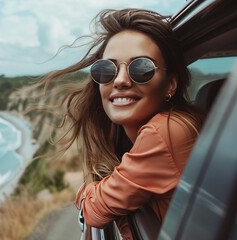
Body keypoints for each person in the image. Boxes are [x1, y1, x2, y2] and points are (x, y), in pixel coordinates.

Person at [42, 8, 204, 239]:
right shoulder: (179, 124)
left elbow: (93, 211)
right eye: (106, 69)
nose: (120, 80)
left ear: (171, 84)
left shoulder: (165, 132)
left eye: (141, 68)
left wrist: (87, 192)